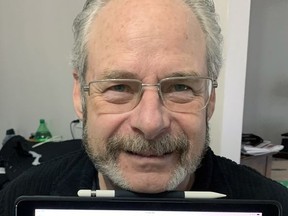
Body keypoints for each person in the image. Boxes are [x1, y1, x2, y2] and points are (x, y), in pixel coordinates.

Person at [1, 0, 288, 215]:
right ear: (80, 94)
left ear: (209, 98)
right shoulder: (15, 201)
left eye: (180, 87)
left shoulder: (278, 206)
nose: (151, 123)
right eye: (119, 87)